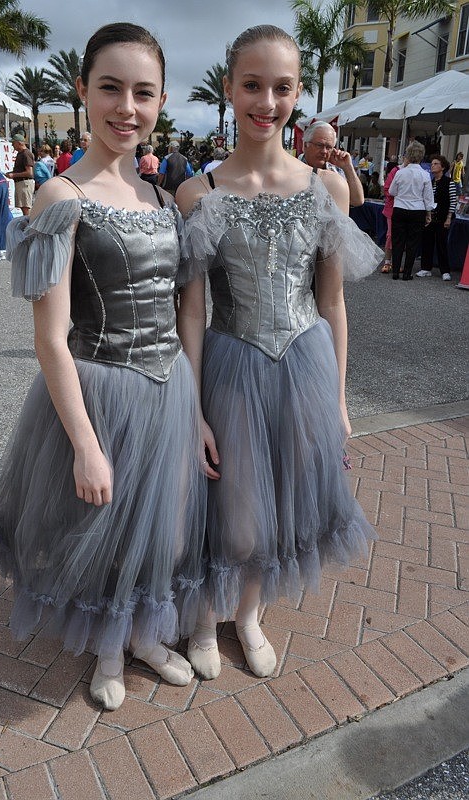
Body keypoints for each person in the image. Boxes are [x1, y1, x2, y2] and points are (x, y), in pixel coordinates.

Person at [0, 22, 206, 711]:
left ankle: (144, 635)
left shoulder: (162, 201)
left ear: (160, 102)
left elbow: (184, 310)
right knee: (103, 527)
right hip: (101, 390)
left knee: (158, 529)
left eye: (143, 92)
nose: (127, 106)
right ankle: (105, 647)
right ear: (83, 92)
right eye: (111, 88)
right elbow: (50, 338)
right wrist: (86, 445)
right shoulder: (61, 198)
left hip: (169, 390)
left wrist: (195, 406)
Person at [176, 25, 381, 681]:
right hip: (227, 366)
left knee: (282, 501)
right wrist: (190, 405)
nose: (266, 100)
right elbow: (192, 307)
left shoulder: (325, 190)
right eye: (252, 85)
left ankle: (248, 615)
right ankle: (204, 618)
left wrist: (338, 400)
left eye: (281, 87)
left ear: (297, 94)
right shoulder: (197, 193)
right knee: (226, 507)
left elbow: (331, 303)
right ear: (230, 89)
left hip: (303, 368)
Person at [389, 141, 434, 281]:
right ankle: (407, 273)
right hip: (417, 210)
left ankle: (395, 271)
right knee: (412, 242)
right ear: (422, 156)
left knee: (398, 241)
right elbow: (428, 197)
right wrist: (428, 213)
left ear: (408, 154)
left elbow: (392, 191)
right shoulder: (425, 175)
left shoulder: (400, 172)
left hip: (400, 208)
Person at [301, 121, 364, 207]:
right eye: (319, 145)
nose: (324, 151)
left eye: (328, 147)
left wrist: (348, 167)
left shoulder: (336, 171)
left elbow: (357, 201)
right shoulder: (292, 169)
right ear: (305, 145)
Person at [416, 154, 457, 281]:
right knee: (427, 242)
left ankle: (445, 270)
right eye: (432, 164)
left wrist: (449, 217)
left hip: (443, 217)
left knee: (442, 244)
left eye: (436, 164)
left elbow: (453, 201)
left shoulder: (449, 182)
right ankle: (425, 268)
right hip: (430, 217)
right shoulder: (429, 182)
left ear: (443, 167)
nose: (432, 166)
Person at [5, 134, 35, 216]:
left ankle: (28, 225)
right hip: (21, 183)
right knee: (23, 207)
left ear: (19, 143)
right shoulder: (21, 153)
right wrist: (12, 173)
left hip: (25, 183)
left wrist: (13, 175)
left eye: (13, 143)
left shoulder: (26, 154)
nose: (12, 145)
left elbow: (29, 172)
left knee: (26, 208)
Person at [380, 159, 399, 273]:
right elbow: (387, 190)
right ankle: (387, 262)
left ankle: (396, 262)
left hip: (405, 208)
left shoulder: (417, 171)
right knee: (391, 235)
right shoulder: (396, 171)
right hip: (393, 208)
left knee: (401, 237)